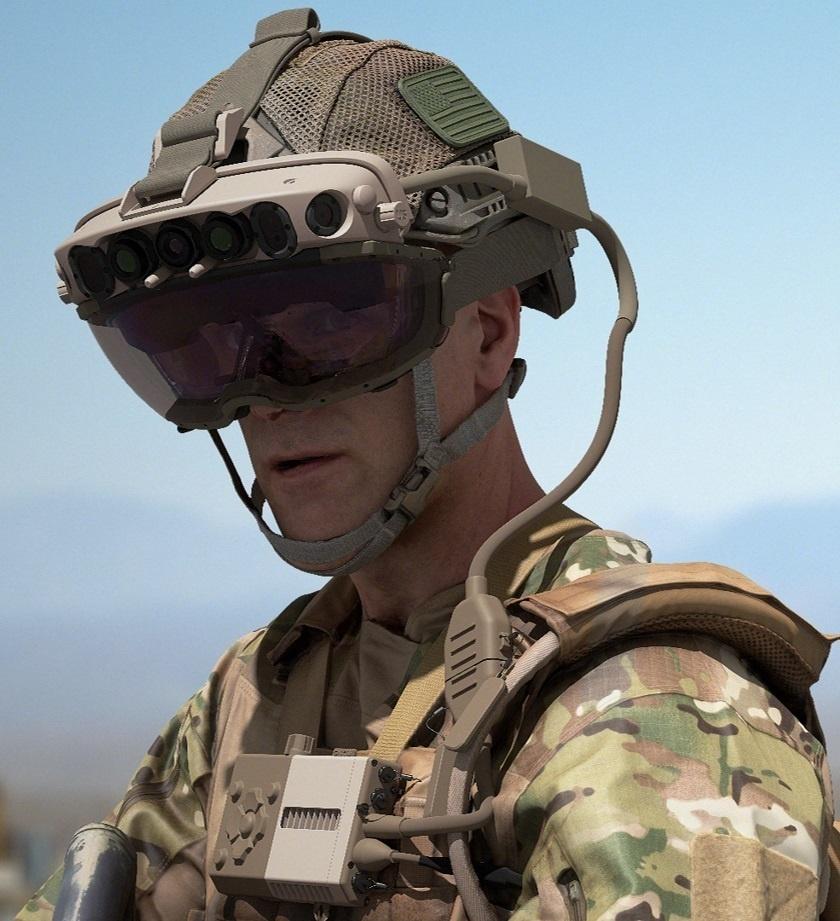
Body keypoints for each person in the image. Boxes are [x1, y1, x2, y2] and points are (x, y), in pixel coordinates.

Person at [18, 8, 837, 921]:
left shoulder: (648, 712)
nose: (267, 400)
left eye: (323, 328)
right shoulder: (260, 693)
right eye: (211, 347)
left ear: (486, 333)